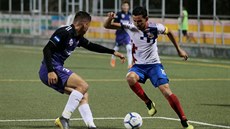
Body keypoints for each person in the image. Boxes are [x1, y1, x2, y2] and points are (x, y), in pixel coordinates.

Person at [104, 7, 194, 129]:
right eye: (135, 20)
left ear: (146, 19)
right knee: (130, 78)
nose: (136, 23)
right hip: (139, 67)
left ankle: (184, 121)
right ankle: (148, 103)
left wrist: (179, 50)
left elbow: (170, 32)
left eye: (139, 21)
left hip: (154, 65)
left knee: (166, 91)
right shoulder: (130, 27)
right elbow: (107, 26)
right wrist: (109, 18)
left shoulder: (156, 27)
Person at [39, 11, 125, 129]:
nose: (88, 28)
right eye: (88, 25)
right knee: (83, 85)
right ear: (84, 24)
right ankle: (64, 118)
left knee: (82, 95)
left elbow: (92, 46)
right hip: (51, 69)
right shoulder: (64, 32)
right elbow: (46, 49)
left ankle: (91, 125)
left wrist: (113, 52)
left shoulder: (78, 37)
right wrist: (50, 70)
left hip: (54, 70)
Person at [110, 0, 133, 69]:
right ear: (122, 7)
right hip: (120, 33)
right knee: (117, 47)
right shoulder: (119, 14)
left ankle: (129, 64)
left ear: (129, 7)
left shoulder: (130, 15)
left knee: (129, 48)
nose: (125, 7)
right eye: (124, 6)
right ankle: (113, 59)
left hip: (127, 34)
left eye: (127, 6)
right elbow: (114, 23)